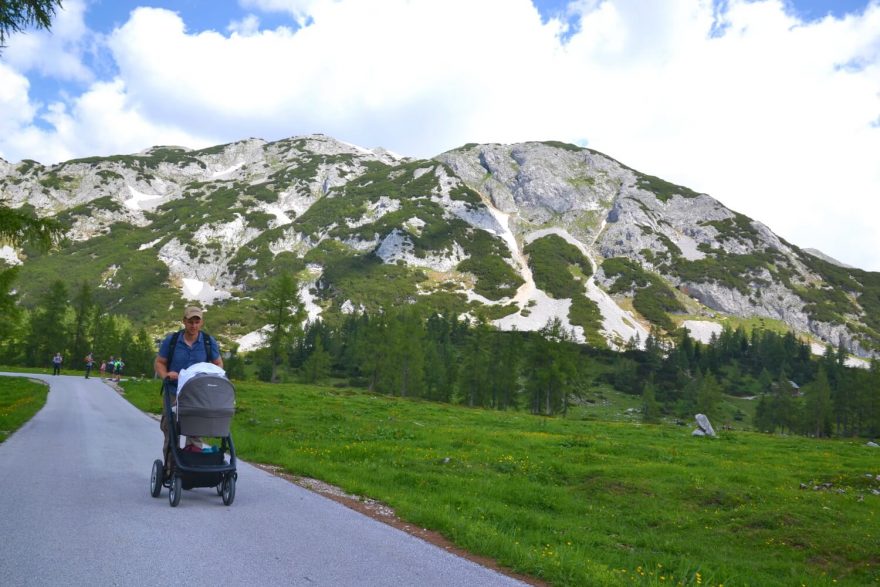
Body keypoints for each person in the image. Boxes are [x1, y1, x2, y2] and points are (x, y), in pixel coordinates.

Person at [154, 306, 223, 475]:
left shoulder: (208, 342)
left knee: (196, 429)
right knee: (171, 430)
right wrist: (166, 375)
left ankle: (194, 469)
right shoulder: (172, 340)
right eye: (190, 321)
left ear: (201, 322)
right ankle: (171, 469)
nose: (193, 325)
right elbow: (160, 362)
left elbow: (218, 364)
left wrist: (208, 376)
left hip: (197, 393)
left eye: (196, 321)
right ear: (184, 321)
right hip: (173, 391)